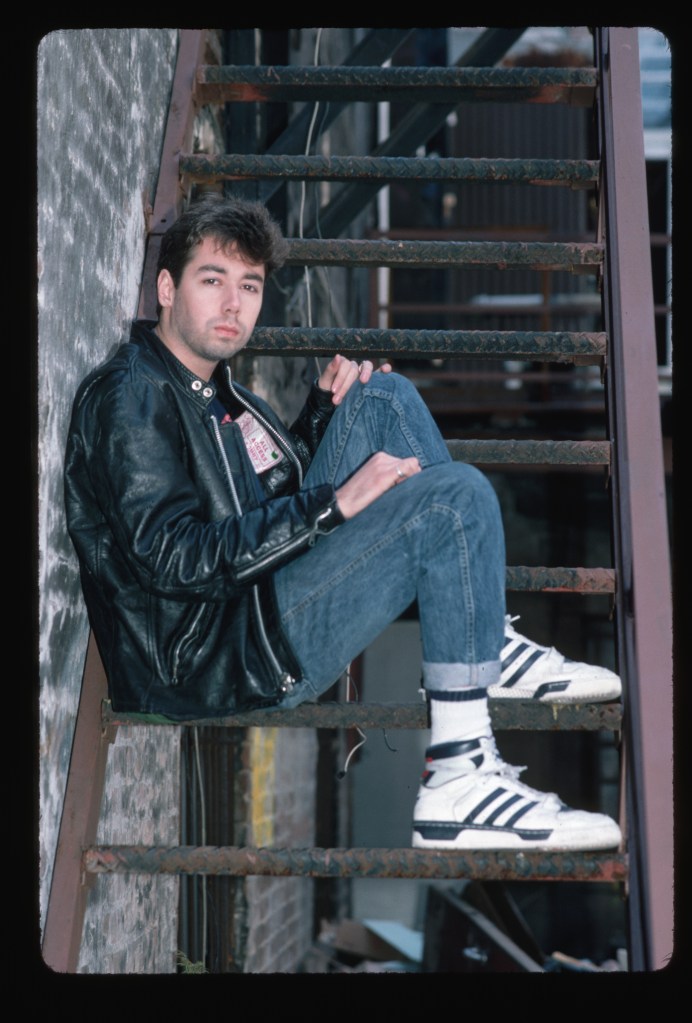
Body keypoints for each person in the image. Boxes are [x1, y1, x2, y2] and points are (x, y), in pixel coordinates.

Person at [64, 194, 622, 853]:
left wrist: (319, 421)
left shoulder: (209, 387)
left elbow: (252, 503)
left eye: (249, 286)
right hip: (212, 653)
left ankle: (485, 646)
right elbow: (175, 558)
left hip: (246, 604)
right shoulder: (133, 396)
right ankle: (460, 775)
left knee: (382, 396)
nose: (233, 304)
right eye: (211, 280)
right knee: (454, 500)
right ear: (165, 286)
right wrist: (332, 504)